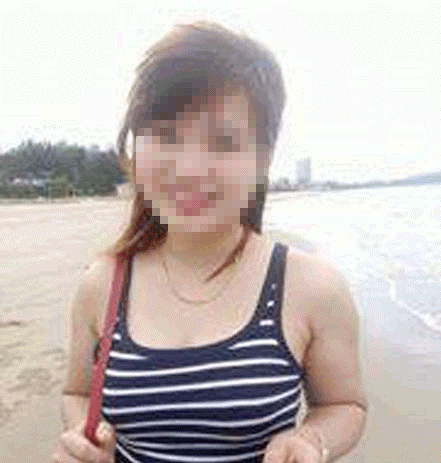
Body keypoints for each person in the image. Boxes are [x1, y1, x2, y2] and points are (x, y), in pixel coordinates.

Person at [52, 20, 367, 463]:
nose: (191, 169)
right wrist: (86, 441)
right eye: (166, 137)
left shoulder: (312, 287)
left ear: (263, 159)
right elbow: (77, 393)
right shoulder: (102, 284)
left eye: (223, 142)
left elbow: (343, 405)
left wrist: (310, 441)